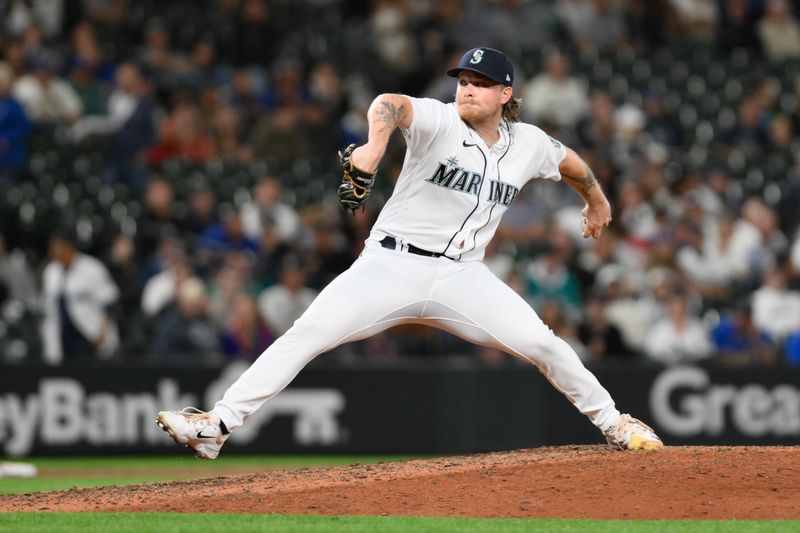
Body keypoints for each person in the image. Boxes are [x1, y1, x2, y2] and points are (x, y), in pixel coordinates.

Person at [157, 47, 663, 459]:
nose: (467, 87)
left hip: (464, 276)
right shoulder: (439, 120)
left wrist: (596, 199)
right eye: (463, 79)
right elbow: (388, 103)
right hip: (391, 265)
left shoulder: (527, 143)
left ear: (506, 94)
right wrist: (375, 148)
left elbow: (570, 161)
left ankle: (616, 423)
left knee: (545, 344)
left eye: (480, 82)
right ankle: (217, 425)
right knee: (308, 333)